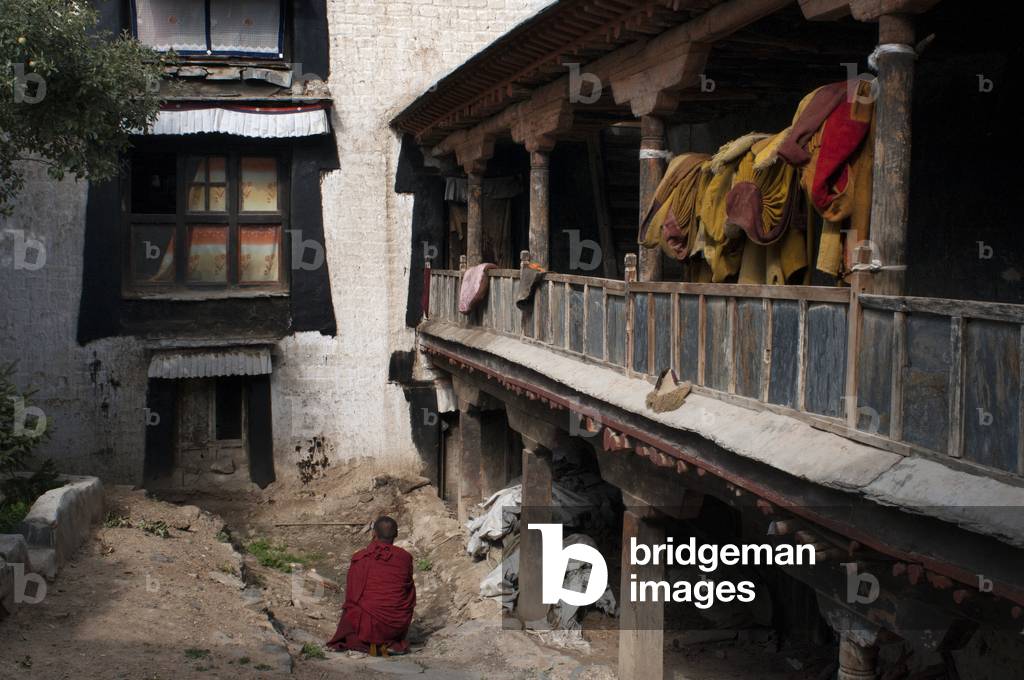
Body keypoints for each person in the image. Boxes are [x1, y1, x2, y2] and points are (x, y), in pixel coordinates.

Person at [326, 516, 416, 656]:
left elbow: (352, 595)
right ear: (396, 534)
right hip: (395, 625)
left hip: (368, 625)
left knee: (352, 606)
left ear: (373, 533)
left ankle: (369, 642)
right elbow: (409, 592)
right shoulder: (404, 558)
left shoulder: (361, 558)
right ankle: (389, 642)